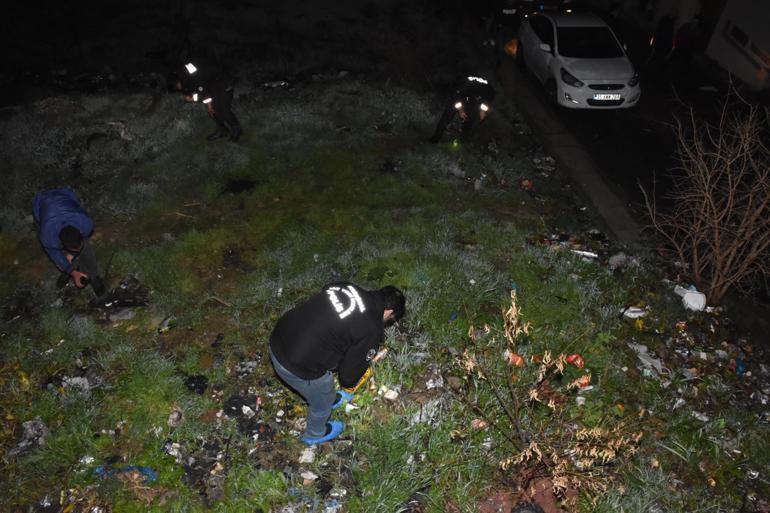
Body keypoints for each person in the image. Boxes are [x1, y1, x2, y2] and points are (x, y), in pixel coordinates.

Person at [269, 282, 406, 445]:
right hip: (292, 362)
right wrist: (363, 365)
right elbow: (347, 377)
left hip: (280, 334)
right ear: (389, 311)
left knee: (331, 353)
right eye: (390, 318)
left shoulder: (346, 286)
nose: (387, 321)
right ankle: (315, 434)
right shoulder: (371, 329)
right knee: (323, 394)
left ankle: (333, 399)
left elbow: (326, 292)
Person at [33, 188, 105, 296]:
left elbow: (81, 242)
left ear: (80, 231)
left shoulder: (85, 223)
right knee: (59, 256)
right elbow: (54, 254)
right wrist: (72, 272)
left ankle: (94, 276)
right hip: (41, 203)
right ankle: (70, 269)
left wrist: (72, 254)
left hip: (63, 195)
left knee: (85, 248)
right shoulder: (48, 235)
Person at [173, 60, 242, 141]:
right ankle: (223, 130)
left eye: (177, 87)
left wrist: (209, 106)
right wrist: (192, 98)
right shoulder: (187, 81)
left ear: (178, 82)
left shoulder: (192, 75)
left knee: (223, 109)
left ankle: (237, 130)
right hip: (214, 85)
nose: (179, 89)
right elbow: (201, 92)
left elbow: (203, 90)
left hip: (224, 80)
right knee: (214, 110)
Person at [428, 75, 495, 143]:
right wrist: (460, 110)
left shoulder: (488, 91)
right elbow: (455, 98)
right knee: (448, 114)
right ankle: (435, 138)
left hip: (473, 99)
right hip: (459, 95)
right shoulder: (461, 86)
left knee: (470, 120)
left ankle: (463, 139)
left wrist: (483, 110)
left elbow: (487, 102)